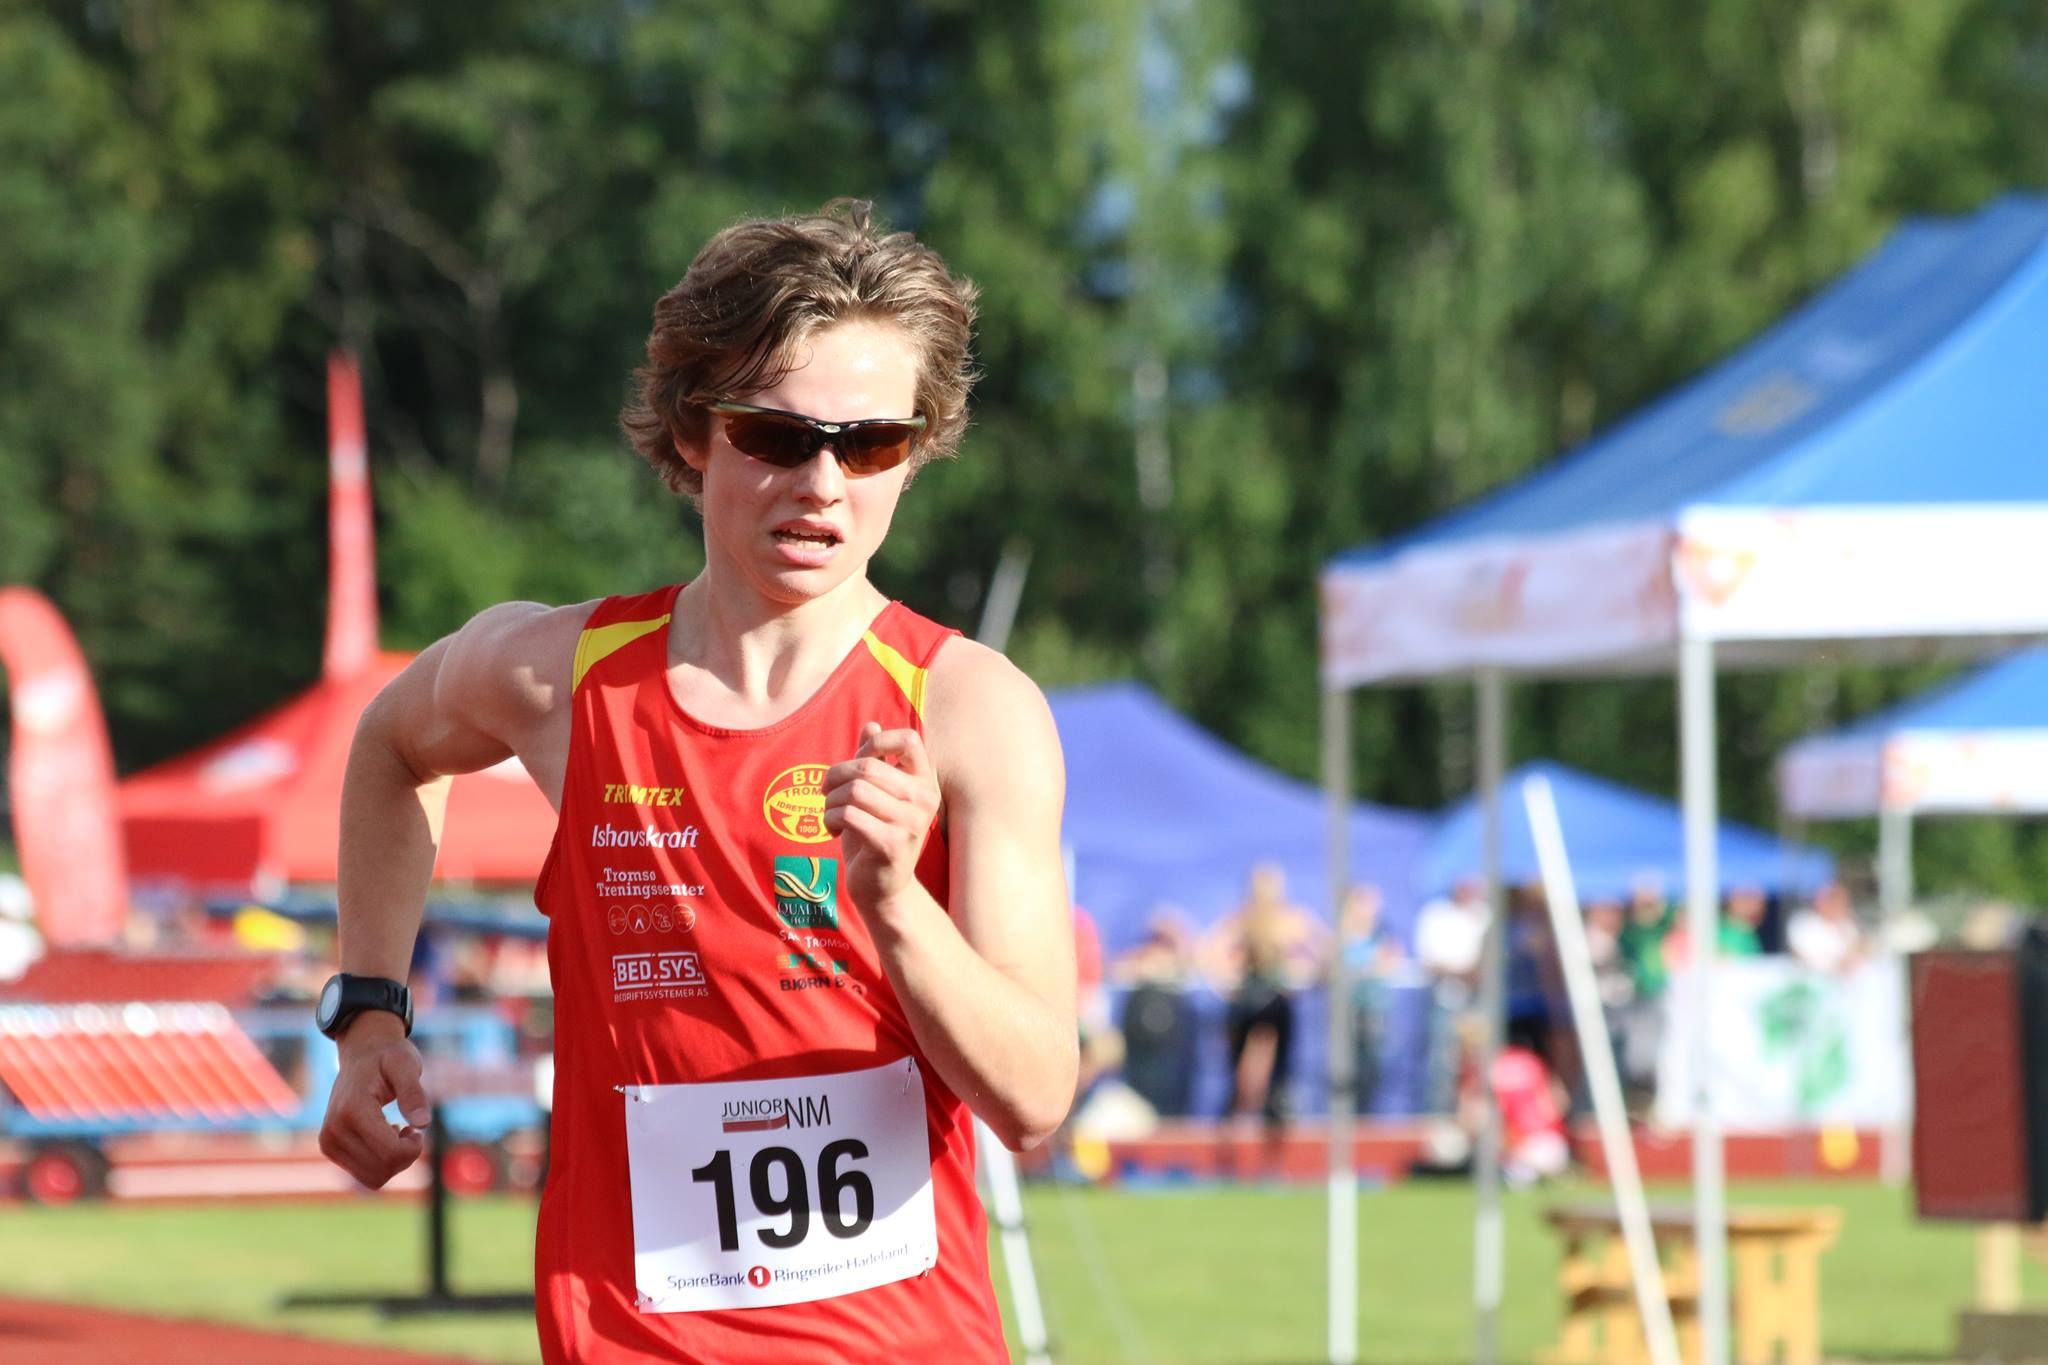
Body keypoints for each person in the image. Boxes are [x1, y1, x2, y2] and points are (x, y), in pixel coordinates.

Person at [316, 201, 1078, 1364]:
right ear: (691, 432)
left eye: (871, 444)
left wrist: (895, 906)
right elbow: (390, 745)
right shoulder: (557, 677)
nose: (822, 483)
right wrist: (368, 1010)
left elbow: (1033, 1099)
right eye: (775, 435)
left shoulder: (968, 710)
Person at [1787, 881, 1866, 975]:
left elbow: (1859, 951)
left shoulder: (1847, 925)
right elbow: (1801, 958)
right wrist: (1838, 964)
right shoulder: (1803, 922)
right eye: (1835, 900)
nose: (1843, 907)